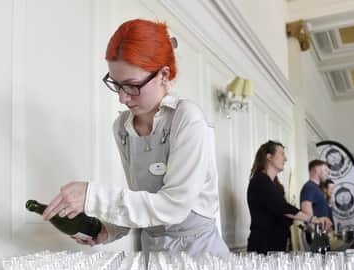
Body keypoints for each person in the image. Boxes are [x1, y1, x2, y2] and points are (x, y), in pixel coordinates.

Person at [41, 19, 228, 257]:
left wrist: (93, 195)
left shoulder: (187, 119)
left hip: (201, 257)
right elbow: (145, 201)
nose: (122, 98)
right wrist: (108, 230)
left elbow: (174, 206)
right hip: (154, 255)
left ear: (163, 75)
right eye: (116, 84)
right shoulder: (122, 127)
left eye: (131, 86)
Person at [246, 141, 313, 253]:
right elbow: (282, 208)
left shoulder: (276, 186)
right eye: (282, 154)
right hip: (262, 248)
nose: (285, 158)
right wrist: (312, 219)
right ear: (269, 157)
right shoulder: (260, 181)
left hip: (276, 246)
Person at [299, 160, 333, 230]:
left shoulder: (317, 188)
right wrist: (316, 235)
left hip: (322, 235)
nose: (327, 174)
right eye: (325, 170)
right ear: (317, 169)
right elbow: (307, 216)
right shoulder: (309, 187)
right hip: (317, 238)